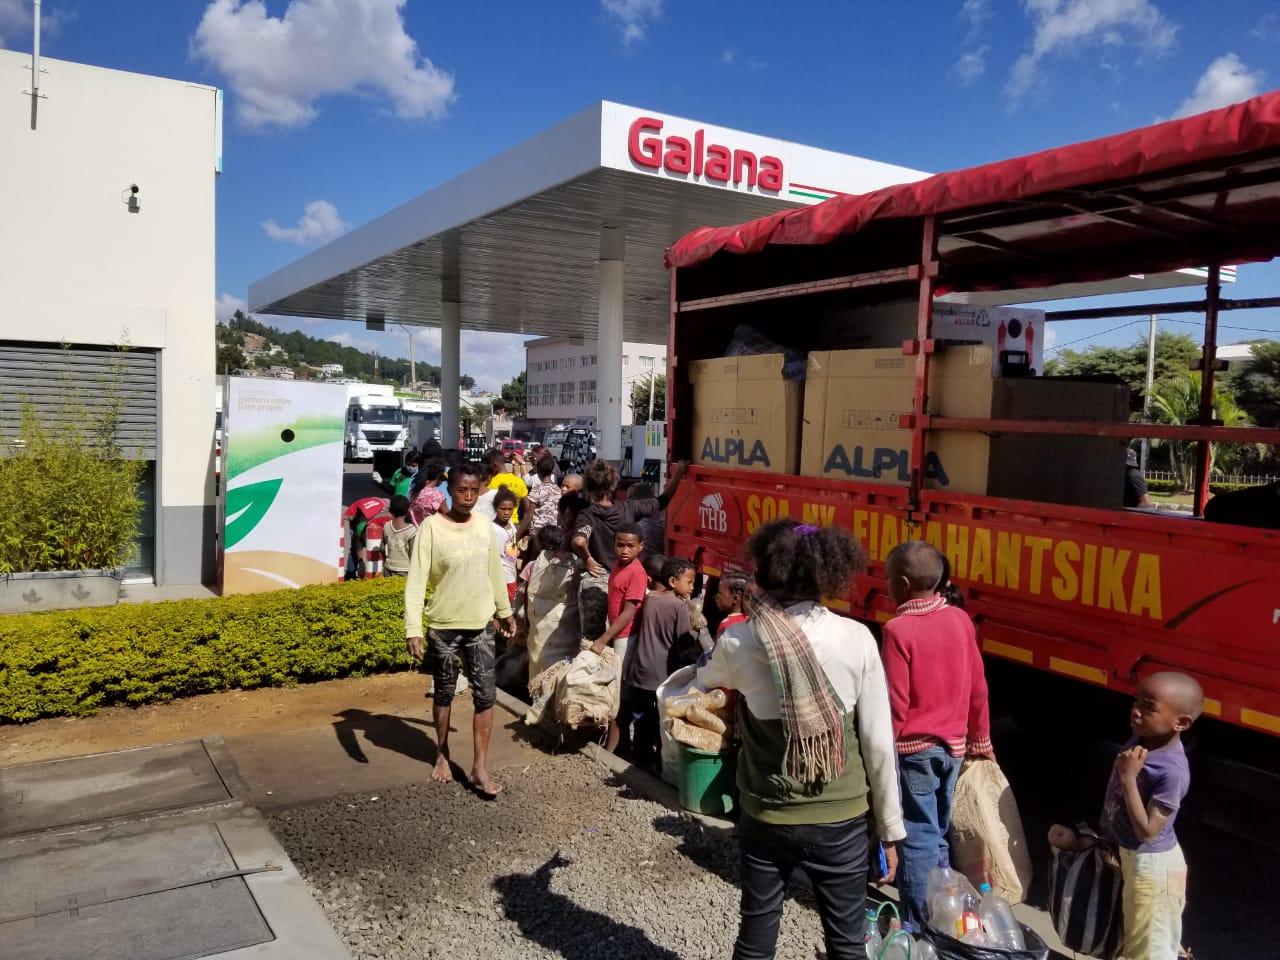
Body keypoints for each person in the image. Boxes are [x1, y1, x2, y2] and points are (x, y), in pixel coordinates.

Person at [697, 520, 904, 960]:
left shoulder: (739, 639)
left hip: (765, 811)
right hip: (842, 819)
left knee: (756, 932)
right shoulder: (856, 638)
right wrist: (889, 830)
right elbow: (878, 744)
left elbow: (704, 678)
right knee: (847, 941)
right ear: (827, 574)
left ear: (766, 572)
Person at [879, 540, 992, 930]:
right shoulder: (960, 619)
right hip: (954, 749)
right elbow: (979, 685)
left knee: (916, 838)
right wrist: (983, 739)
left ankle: (918, 926)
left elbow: (895, 704)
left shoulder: (898, 630)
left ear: (904, 584)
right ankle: (946, 914)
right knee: (938, 833)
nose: (888, 586)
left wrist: (879, 757)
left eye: (890, 580)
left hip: (915, 752)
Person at [404, 461, 516, 798]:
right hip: (443, 626)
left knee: (486, 695)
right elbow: (416, 581)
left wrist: (505, 611)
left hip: (481, 624)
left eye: (473, 490)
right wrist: (414, 628)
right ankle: (441, 752)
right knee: (444, 692)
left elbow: (495, 572)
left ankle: (480, 767)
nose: (468, 497)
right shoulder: (431, 529)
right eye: (460, 491)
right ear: (448, 492)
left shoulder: (484, 526)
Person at [1100, 671, 1203, 960]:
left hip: (1153, 868)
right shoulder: (1144, 738)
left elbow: (1147, 832)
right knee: (1133, 936)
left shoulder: (1172, 771)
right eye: (1136, 701)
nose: (1136, 711)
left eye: (1148, 707)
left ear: (1181, 723)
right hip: (1134, 859)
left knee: (1149, 949)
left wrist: (1128, 778)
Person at [572, 458, 688, 640]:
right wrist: (679, 473)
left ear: (589, 488)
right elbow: (662, 501)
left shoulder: (587, 515)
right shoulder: (629, 508)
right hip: (628, 582)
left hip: (599, 581)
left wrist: (588, 559)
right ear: (612, 486)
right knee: (626, 635)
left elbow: (579, 541)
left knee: (593, 640)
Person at [622, 555, 696, 772]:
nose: (692, 587)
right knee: (660, 719)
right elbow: (683, 642)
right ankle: (657, 764)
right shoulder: (678, 606)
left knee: (640, 716)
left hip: (639, 670)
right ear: (673, 582)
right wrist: (696, 632)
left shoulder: (650, 598)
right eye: (689, 582)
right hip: (662, 674)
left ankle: (639, 759)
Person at [589, 521, 649, 752]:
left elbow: (629, 611)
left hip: (625, 636)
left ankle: (615, 744)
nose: (624, 550)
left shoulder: (636, 572)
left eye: (630, 546)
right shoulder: (618, 565)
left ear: (640, 547)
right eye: (620, 545)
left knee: (618, 691)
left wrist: (604, 639)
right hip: (615, 632)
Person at [522, 524, 582, 679]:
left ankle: (539, 696)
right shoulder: (574, 564)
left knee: (538, 661)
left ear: (539, 544)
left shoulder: (535, 564)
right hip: (562, 625)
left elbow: (527, 592)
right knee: (561, 666)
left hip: (539, 623)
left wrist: (528, 620)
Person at [483, 447, 529, 523]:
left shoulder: (490, 482)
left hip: (496, 523)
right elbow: (527, 508)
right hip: (514, 524)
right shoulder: (519, 481)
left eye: (488, 466)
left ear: (495, 465)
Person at [491, 486, 520, 603]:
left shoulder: (511, 524)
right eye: (503, 509)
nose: (507, 513)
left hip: (511, 571)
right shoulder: (492, 528)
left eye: (510, 509)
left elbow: (511, 549)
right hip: (502, 576)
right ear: (495, 508)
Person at [381, 495, 417, 578]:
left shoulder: (386, 526)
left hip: (388, 568)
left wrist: (385, 559)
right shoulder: (412, 531)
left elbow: (382, 548)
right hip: (405, 571)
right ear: (408, 510)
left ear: (390, 511)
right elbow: (414, 555)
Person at [408, 458, 448, 525]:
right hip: (431, 533)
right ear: (439, 477)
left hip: (415, 532)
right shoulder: (436, 496)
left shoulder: (414, 492)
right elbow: (449, 517)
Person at [715, 571, 752, 638]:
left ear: (735, 599)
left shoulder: (727, 625)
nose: (717, 596)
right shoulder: (750, 621)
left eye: (720, 593)